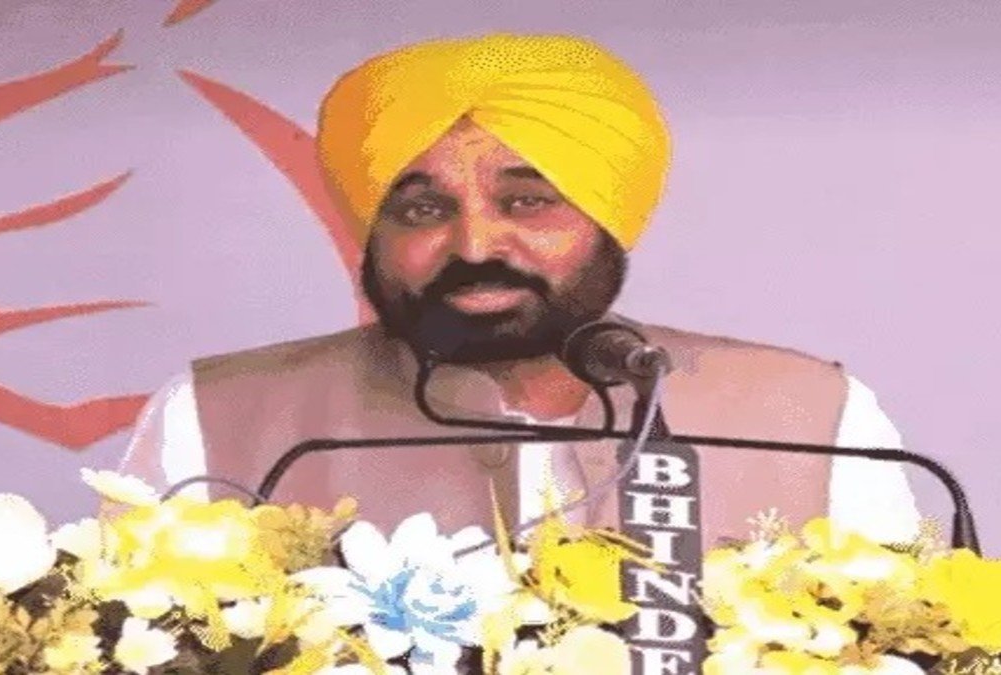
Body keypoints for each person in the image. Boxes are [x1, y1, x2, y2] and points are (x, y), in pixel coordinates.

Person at [119, 33, 919, 549]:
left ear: (608, 220)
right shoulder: (220, 416)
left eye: (528, 202)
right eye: (421, 209)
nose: (475, 245)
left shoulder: (808, 413)